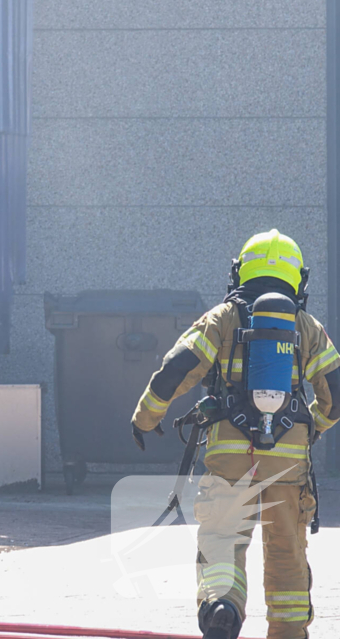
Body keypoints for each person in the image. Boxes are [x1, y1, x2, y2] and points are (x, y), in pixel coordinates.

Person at [131, 229, 339, 639]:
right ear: (299, 278)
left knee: (223, 539)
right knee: (286, 553)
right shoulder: (307, 327)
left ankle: (222, 606)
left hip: (228, 457)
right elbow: (338, 394)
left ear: (241, 271)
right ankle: (289, 632)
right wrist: (311, 425)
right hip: (288, 462)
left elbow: (177, 368)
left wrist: (145, 418)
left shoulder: (221, 319)